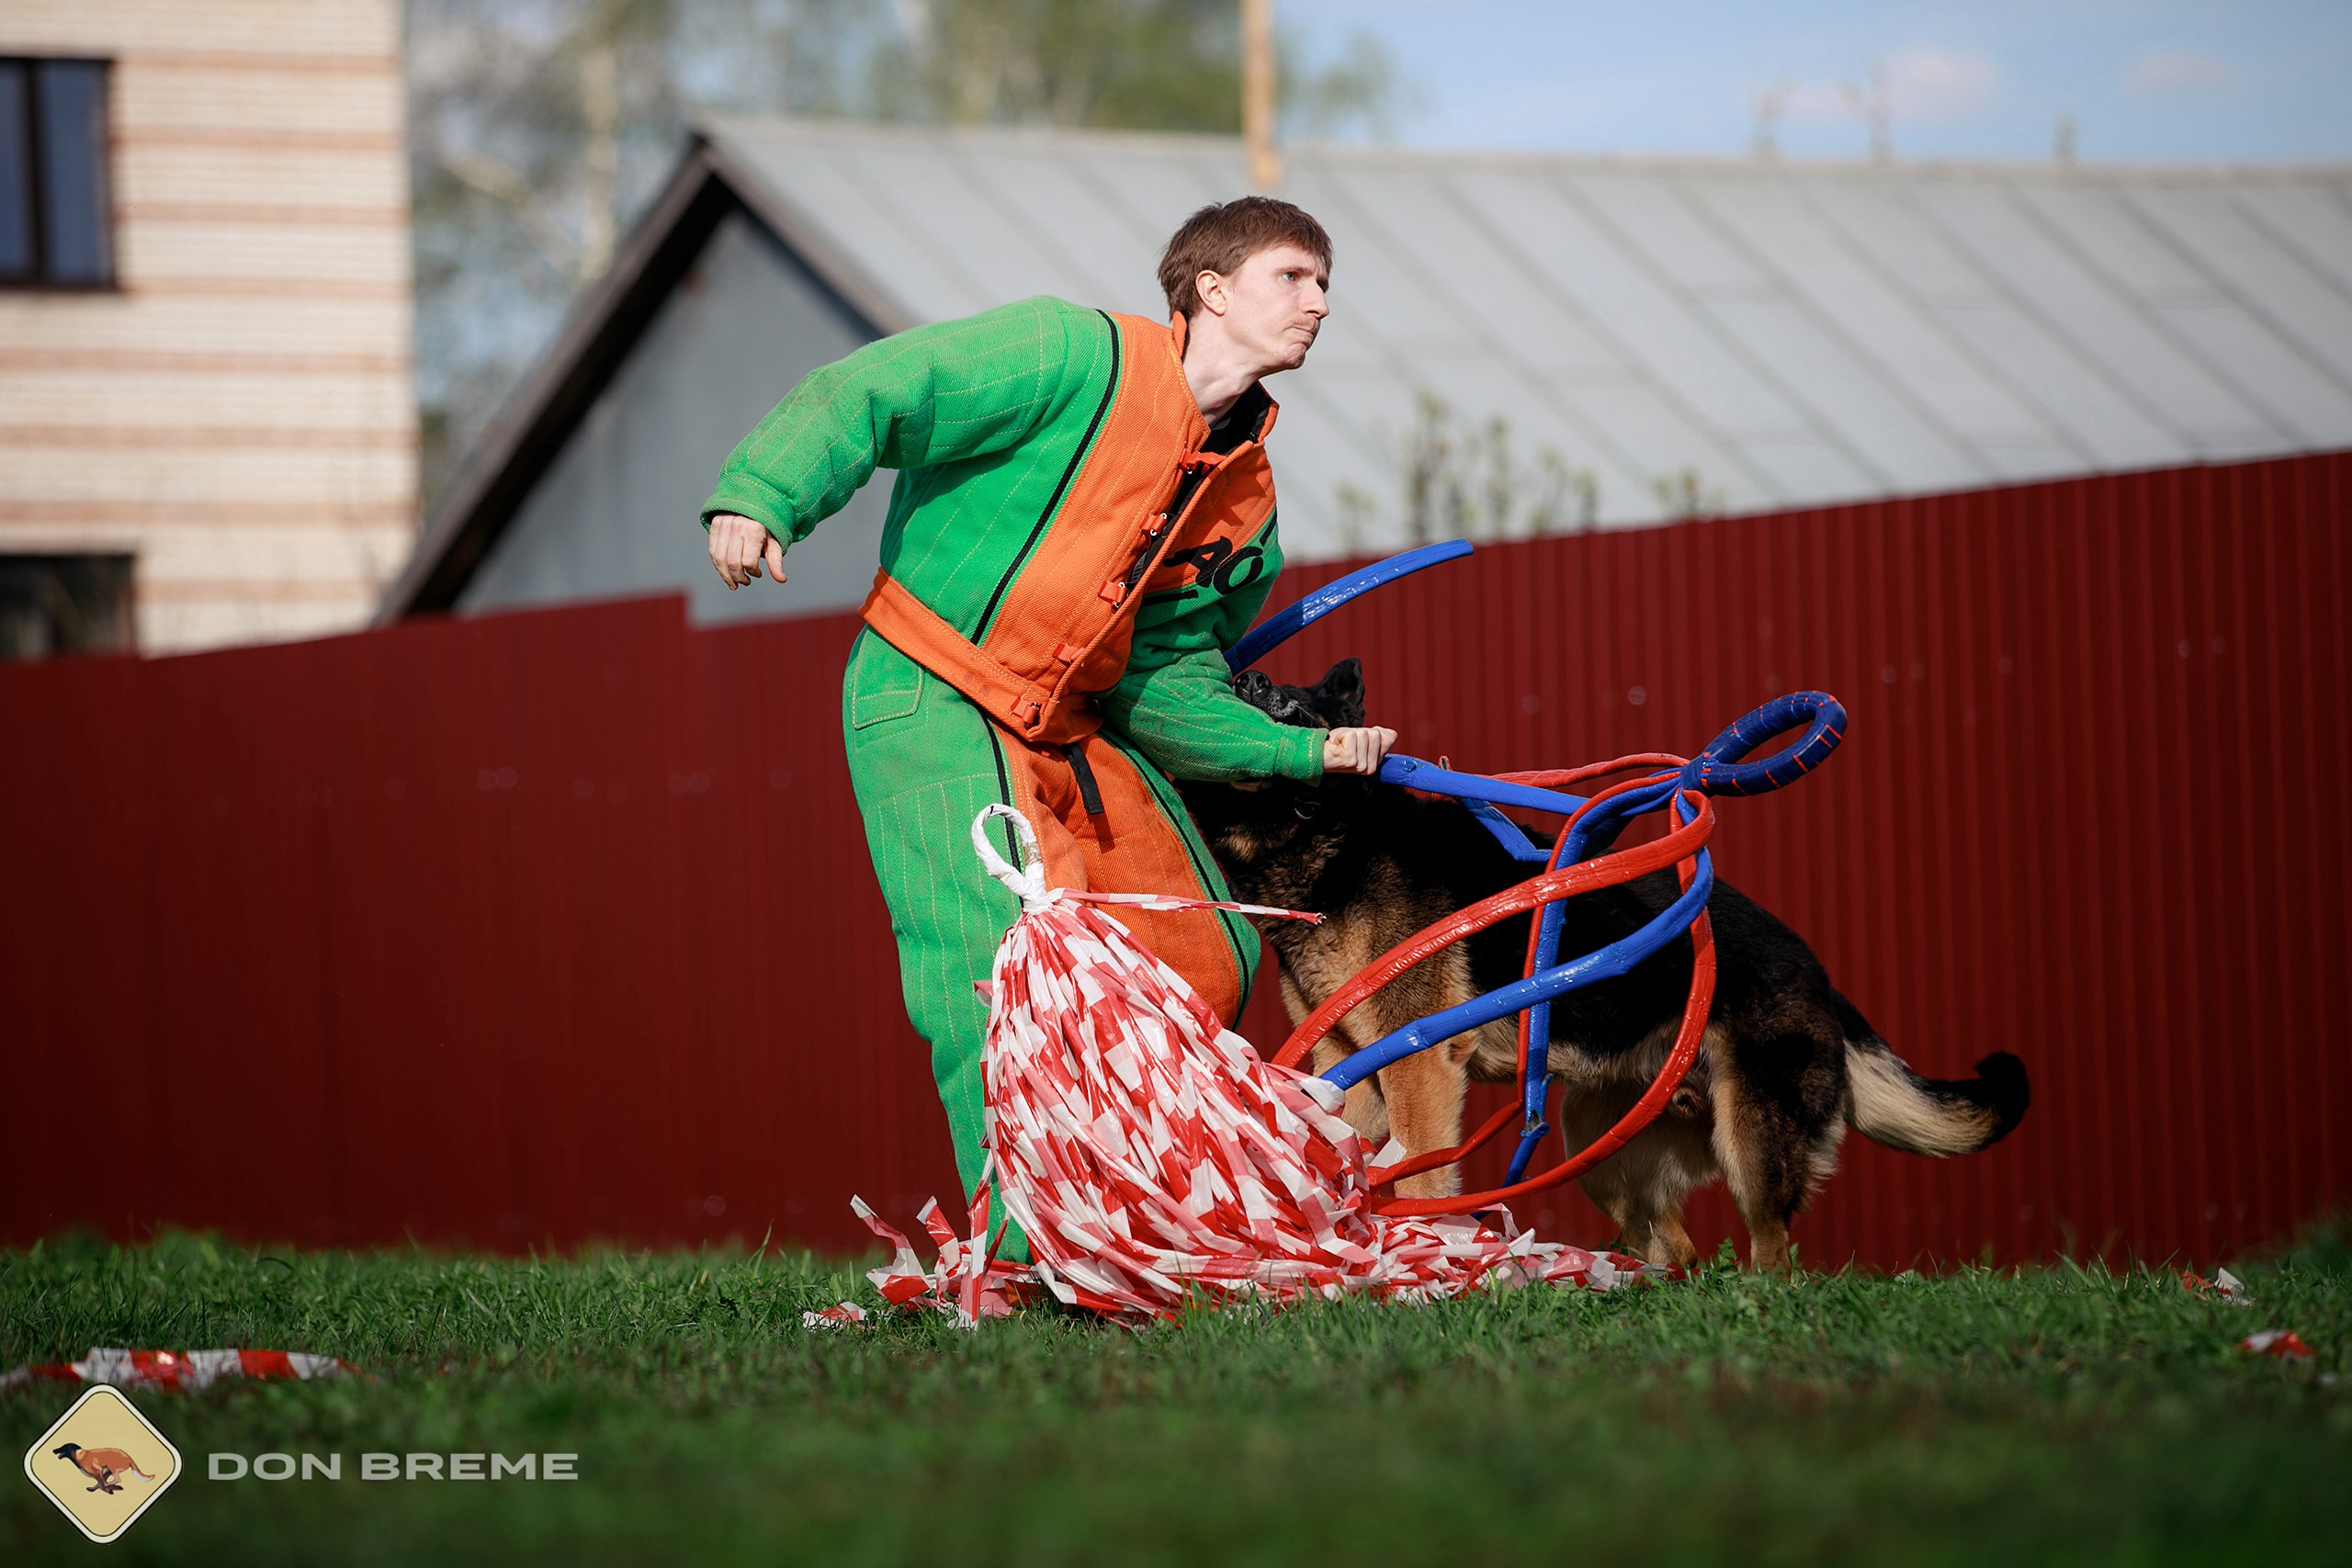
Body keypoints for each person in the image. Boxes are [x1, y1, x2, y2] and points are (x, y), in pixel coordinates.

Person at [702, 197, 1396, 1259]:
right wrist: (761, 494)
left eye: (1323, 283)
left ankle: (1162, 1230)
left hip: (1066, 726)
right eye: (1294, 278)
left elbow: (1163, 680)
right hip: (930, 688)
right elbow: (878, 389)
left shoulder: (1244, 493)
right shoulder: (1068, 353)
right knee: (998, 968)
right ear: (1210, 289)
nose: (1321, 303)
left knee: (1200, 955)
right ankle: (1033, 1254)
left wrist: (1296, 751)